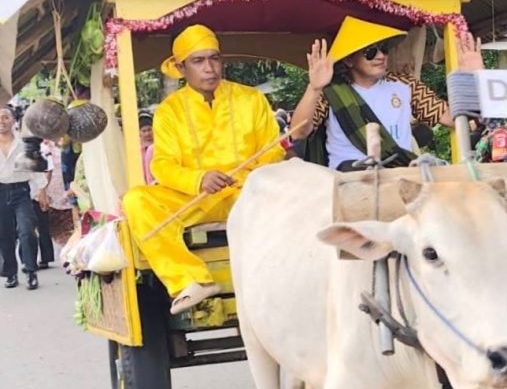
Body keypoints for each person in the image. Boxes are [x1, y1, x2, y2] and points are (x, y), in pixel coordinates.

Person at [123, 25, 285, 314]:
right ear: (182, 67)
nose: (210, 68)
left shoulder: (251, 99)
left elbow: (273, 149)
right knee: (136, 200)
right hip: (197, 198)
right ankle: (191, 279)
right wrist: (199, 179)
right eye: (198, 61)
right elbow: (163, 164)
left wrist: (247, 177)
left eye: (214, 59)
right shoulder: (169, 110)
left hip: (249, 194)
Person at [291, 16, 482, 170]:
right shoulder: (331, 92)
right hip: (349, 179)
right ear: (349, 60)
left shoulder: (405, 84)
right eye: (370, 52)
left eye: (384, 49)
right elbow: (298, 132)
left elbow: (455, 119)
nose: (381, 56)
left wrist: (474, 77)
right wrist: (314, 87)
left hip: (401, 174)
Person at [0, 105, 42, 289]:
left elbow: (35, 168)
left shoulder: (23, 143)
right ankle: (10, 273)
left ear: (13, 120)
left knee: (27, 231)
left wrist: (42, 190)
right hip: (1, 192)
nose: (1, 122)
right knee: (5, 235)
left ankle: (31, 271)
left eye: (5, 117)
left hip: (21, 192)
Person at [138, 111, 155, 184]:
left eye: (149, 129)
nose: (147, 133)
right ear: (139, 132)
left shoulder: (159, 145)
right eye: (144, 131)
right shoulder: (138, 150)